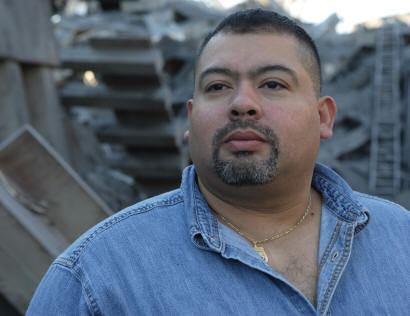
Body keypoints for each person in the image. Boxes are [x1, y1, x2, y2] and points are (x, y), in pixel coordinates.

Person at [27, 8, 409, 315]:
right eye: (218, 87)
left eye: (272, 84)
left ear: (323, 117)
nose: (242, 103)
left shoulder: (400, 241)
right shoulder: (97, 278)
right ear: (191, 119)